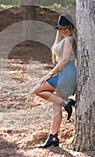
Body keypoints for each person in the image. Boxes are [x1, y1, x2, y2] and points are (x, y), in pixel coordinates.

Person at [33, 14, 77, 148]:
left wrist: (49, 74)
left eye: (66, 28)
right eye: (61, 28)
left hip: (66, 73)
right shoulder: (63, 40)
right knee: (56, 108)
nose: (64, 30)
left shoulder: (70, 40)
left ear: (71, 28)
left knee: (38, 90)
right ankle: (53, 137)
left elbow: (64, 60)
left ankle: (67, 102)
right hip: (65, 73)